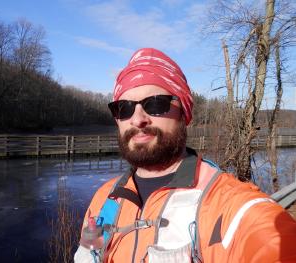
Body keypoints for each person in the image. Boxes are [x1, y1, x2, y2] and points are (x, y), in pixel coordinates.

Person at [74, 48, 296, 263]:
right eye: (124, 108)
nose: (137, 119)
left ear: (184, 114)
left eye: (156, 104)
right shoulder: (104, 199)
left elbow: (270, 242)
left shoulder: (231, 206)